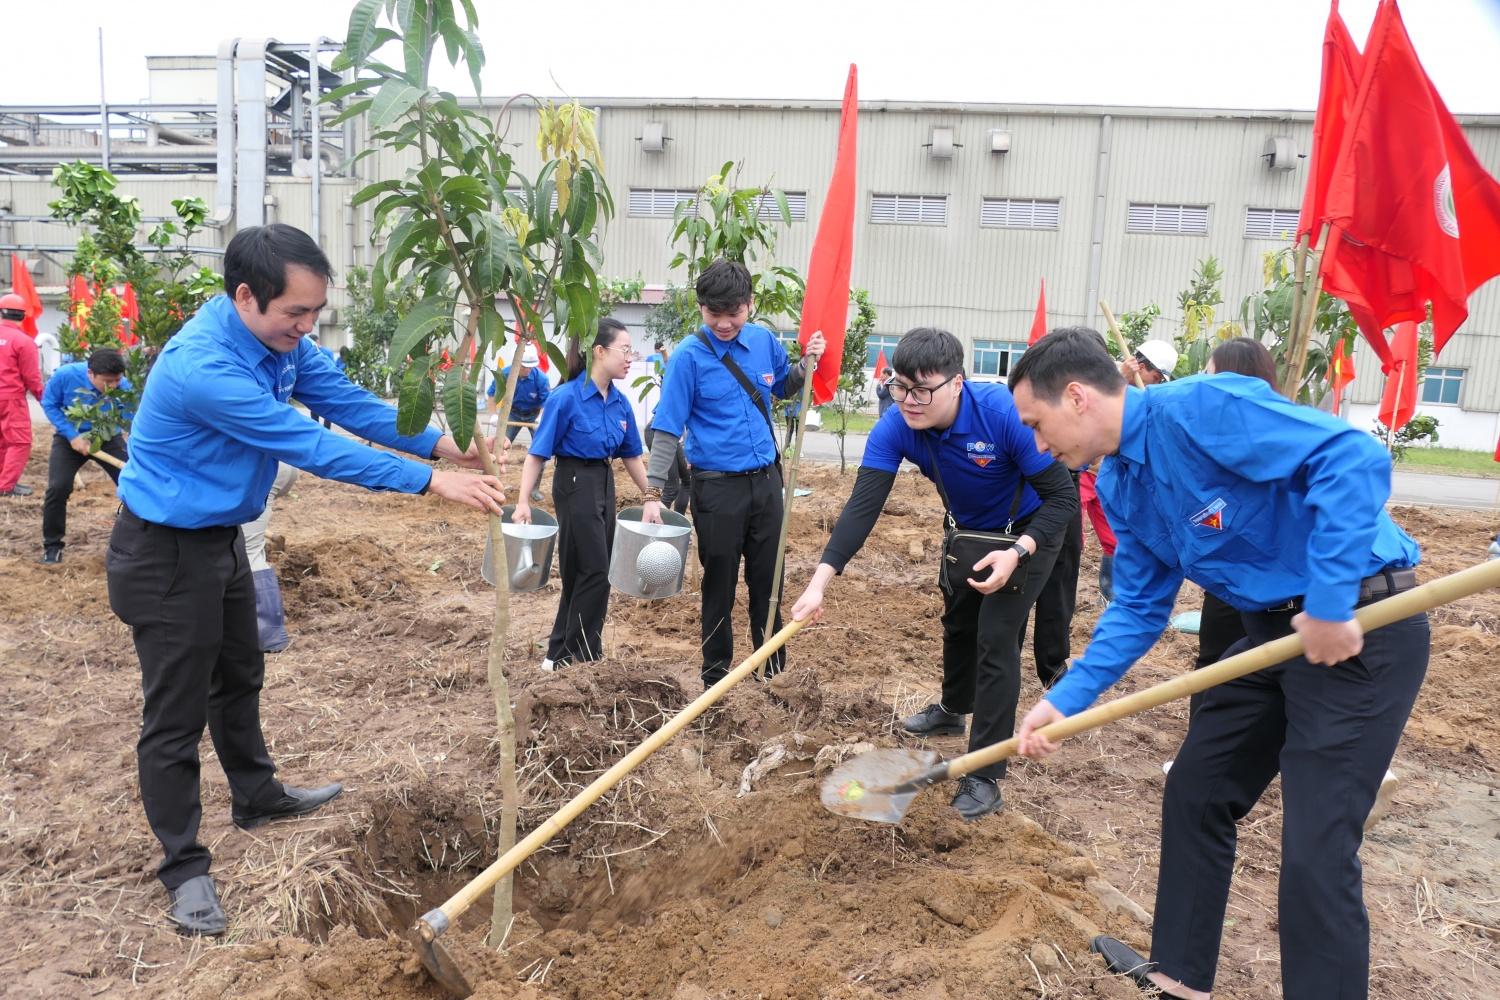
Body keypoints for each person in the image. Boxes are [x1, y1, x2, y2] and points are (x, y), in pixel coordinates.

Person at [106, 223, 507, 938]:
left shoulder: (281, 344)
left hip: (220, 541)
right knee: (175, 717)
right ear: (245, 298)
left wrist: (444, 441)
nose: (307, 326)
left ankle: (258, 796)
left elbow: (350, 406)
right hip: (164, 554)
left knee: (240, 673)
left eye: (315, 311)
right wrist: (429, 482)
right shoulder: (206, 368)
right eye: (296, 312)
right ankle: (185, 869)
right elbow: (314, 446)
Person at [1009, 328, 1427, 1000]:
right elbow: (1141, 606)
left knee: (1316, 850)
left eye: (1036, 423)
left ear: (1078, 397)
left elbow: (1350, 457)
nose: (1037, 444)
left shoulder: (1202, 409)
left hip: (1358, 629)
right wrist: (1066, 699)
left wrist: (1327, 598)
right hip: (1272, 635)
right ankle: (1180, 980)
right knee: (1198, 789)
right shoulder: (1119, 480)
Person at [791, 327, 1077, 820]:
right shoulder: (896, 426)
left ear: (957, 384)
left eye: (922, 390)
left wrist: (1020, 552)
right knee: (959, 621)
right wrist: (818, 584)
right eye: (899, 386)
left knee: (997, 638)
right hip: (969, 533)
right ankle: (952, 708)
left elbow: (1064, 498)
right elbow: (863, 507)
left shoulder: (1002, 415)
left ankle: (986, 773)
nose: (909, 400)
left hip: (1030, 529)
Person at [642, 259, 824, 688]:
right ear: (701, 308)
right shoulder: (688, 357)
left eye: (734, 313)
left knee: (768, 582)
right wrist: (652, 495)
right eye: (714, 313)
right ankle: (716, 678)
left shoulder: (762, 341)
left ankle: (771, 672)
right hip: (717, 489)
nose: (724, 323)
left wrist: (805, 365)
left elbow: (782, 385)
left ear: (750, 305)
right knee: (718, 586)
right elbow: (667, 427)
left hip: (766, 483)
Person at [514, 319, 651, 670]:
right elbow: (537, 454)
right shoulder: (565, 398)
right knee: (596, 569)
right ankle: (578, 653)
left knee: (584, 572)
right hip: (574, 481)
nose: (630, 357)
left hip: (604, 481)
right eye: (624, 349)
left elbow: (631, 456)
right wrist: (522, 501)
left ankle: (564, 653)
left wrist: (652, 496)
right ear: (600, 352)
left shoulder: (619, 403)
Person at [38, 348, 131, 563]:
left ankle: (135, 542)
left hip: (106, 437)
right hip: (69, 438)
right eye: (108, 381)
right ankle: (52, 546)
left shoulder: (124, 387)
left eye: (118, 380)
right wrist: (72, 435)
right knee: (57, 488)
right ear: (91, 374)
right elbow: (50, 404)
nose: (114, 386)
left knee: (133, 483)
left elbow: (130, 418)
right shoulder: (65, 375)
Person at [242, 463, 300, 652]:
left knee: (248, 550)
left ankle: (268, 632)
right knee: (252, 543)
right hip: (279, 463)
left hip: (256, 468)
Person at [488, 343, 552, 501]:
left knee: (541, 450)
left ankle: (534, 489)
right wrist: (493, 415)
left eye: (531, 367)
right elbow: (491, 393)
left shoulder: (541, 378)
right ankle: (490, 484)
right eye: (524, 367)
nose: (528, 370)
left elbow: (546, 401)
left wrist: (540, 418)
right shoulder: (505, 374)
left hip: (533, 414)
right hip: (513, 413)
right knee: (498, 447)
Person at [0, 292, 44, 496]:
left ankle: (3, 480)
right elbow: (32, 378)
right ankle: (6, 486)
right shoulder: (24, 342)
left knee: (3, 441)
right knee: (19, 442)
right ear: (23, 316)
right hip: (10, 399)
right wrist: (45, 399)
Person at [643, 337, 691, 515]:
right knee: (671, 487)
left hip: (673, 434)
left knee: (687, 481)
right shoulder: (678, 379)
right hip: (658, 431)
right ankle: (656, 525)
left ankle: (677, 522)